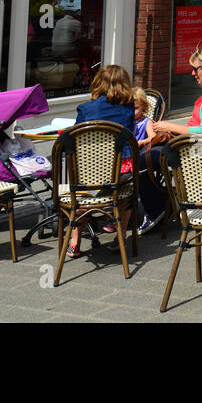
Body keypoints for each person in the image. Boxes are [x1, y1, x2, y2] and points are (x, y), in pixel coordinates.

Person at [137, 47, 202, 234]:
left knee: (143, 159)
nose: (192, 73)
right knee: (144, 155)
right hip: (193, 147)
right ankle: (158, 204)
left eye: (196, 69)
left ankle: (156, 208)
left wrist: (169, 127)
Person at [65, 65, 137, 258]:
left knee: (80, 190)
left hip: (87, 174)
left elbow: (72, 138)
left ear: (98, 82)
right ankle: (119, 237)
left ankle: (74, 241)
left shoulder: (86, 109)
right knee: (128, 195)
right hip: (119, 173)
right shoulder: (128, 106)